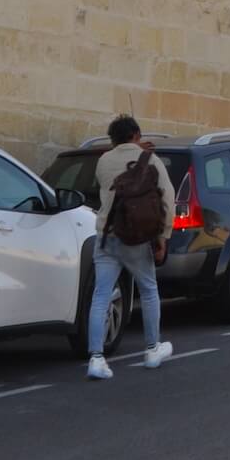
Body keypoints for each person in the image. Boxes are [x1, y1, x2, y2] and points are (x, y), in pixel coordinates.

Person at [86, 115, 174, 379]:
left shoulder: (103, 161)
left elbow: (110, 177)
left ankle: (96, 359)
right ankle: (152, 349)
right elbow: (166, 201)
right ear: (136, 134)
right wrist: (162, 239)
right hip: (137, 239)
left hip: (107, 235)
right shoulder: (152, 161)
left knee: (101, 295)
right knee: (148, 289)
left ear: (113, 139)